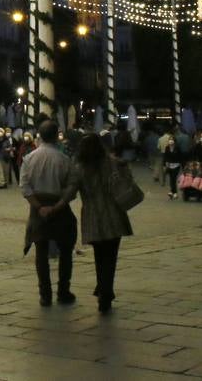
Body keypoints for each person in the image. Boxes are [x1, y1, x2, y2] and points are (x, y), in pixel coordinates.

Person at [64, 134, 133, 313]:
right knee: (111, 257)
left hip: (92, 215)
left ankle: (103, 289)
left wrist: (56, 204)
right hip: (114, 214)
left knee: (99, 255)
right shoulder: (111, 163)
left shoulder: (79, 168)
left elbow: (70, 192)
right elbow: (126, 176)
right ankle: (105, 291)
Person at [21, 121, 77, 306]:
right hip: (59, 207)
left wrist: (38, 207)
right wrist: (58, 205)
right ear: (56, 136)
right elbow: (71, 188)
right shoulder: (64, 160)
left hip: (38, 207)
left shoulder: (29, 159)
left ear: (39, 135)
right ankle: (63, 290)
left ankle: (45, 294)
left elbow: (25, 187)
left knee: (41, 251)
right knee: (66, 250)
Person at [161, 135, 182, 200]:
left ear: (174, 141)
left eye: (172, 140)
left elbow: (180, 156)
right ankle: (173, 192)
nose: (171, 141)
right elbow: (165, 156)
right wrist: (164, 164)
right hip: (169, 165)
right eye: (170, 139)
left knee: (173, 178)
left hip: (176, 165)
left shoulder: (177, 148)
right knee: (171, 179)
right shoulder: (167, 147)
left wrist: (182, 165)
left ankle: (173, 192)